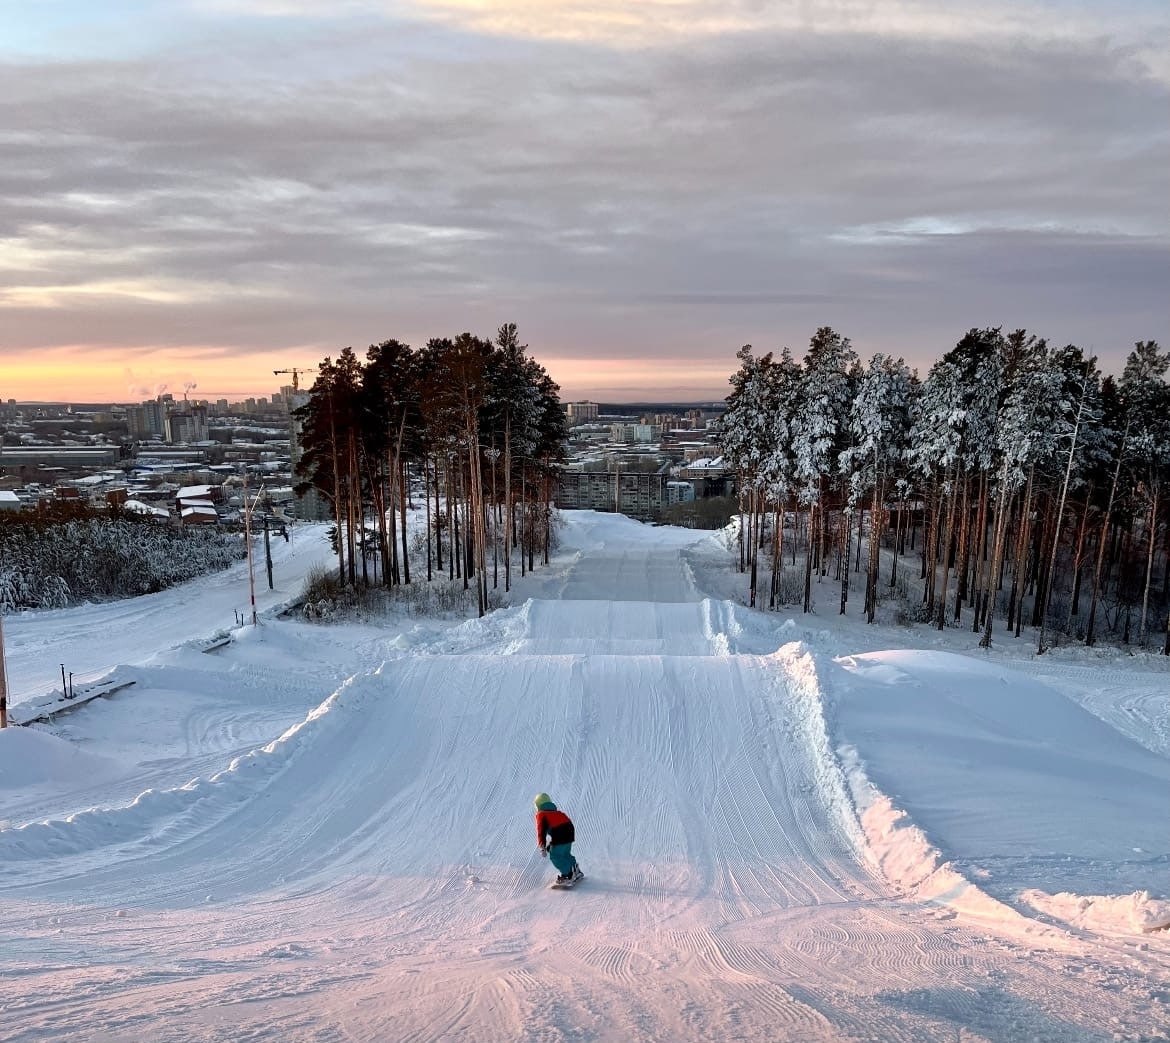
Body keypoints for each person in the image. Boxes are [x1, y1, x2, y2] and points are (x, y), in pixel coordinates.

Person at [533, 792, 583, 884]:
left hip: (560, 834)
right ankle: (575, 870)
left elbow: (541, 832)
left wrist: (542, 846)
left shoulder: (541, 814)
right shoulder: (556, 812)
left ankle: (568, 875)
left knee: (555, 856)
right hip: (569, 832)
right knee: (565, 854)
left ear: (538, 805)